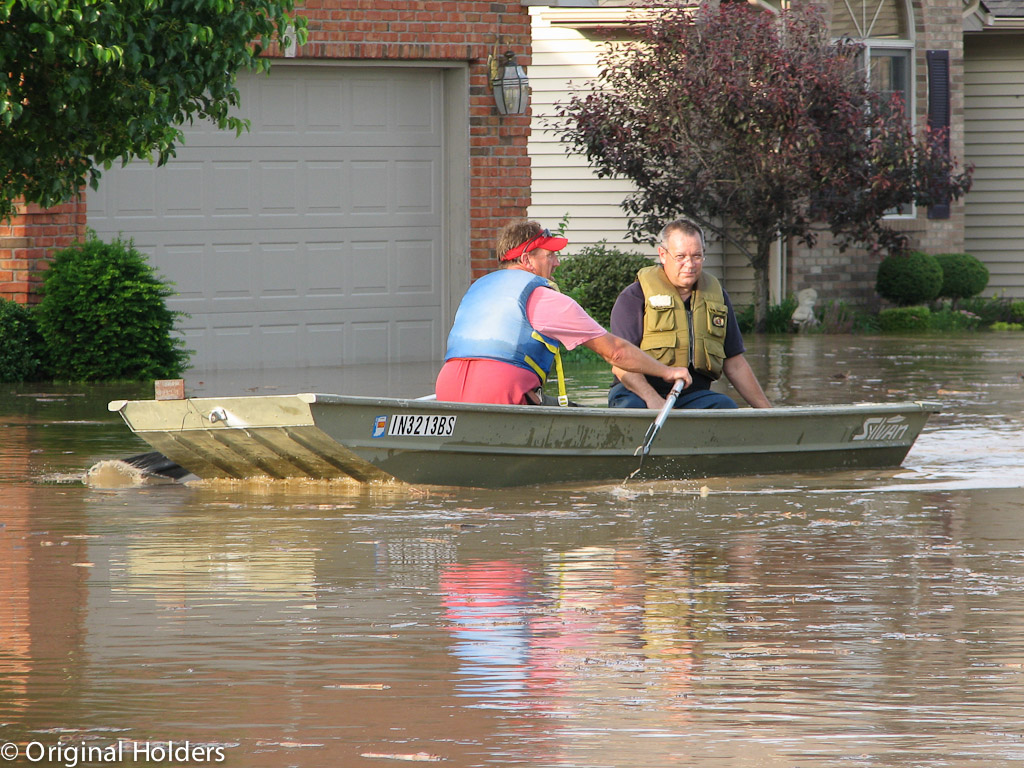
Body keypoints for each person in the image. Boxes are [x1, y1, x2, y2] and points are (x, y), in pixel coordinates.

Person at [436, 219, 692, 405]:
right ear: (527, 260)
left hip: (447, 391)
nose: (557, 262)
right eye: (550, 255)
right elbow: (615, 351)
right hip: (500, 395)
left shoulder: (477, 291)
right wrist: (668, 371)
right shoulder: (544, 298)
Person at [608, 218, 772, 410]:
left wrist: (768, 413)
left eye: (696, 256)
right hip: (637, 393)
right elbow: (619, 362)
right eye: (680, 256)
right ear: (663, 254)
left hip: (691, 396)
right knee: (632, 407)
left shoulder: (717, 297)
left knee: (725, 405)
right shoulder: (635, 296)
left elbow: (734, 364)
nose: (690, 264)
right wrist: (652, 399)